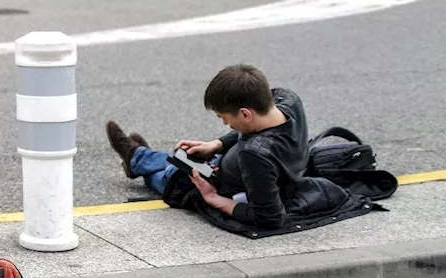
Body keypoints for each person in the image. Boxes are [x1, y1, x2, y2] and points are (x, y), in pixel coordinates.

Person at [104, 65, 310, 231]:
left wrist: (214, 199)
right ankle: (138, 160)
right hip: (219, 166)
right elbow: (253, 131)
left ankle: (136, 158)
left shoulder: (255, 156)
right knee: (183, 159)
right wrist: (217, 144)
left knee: (171, 177)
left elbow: (269, 218)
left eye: (225, 118)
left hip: (211, 184)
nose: (225, 124)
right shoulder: (287, 100)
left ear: (246, 114)